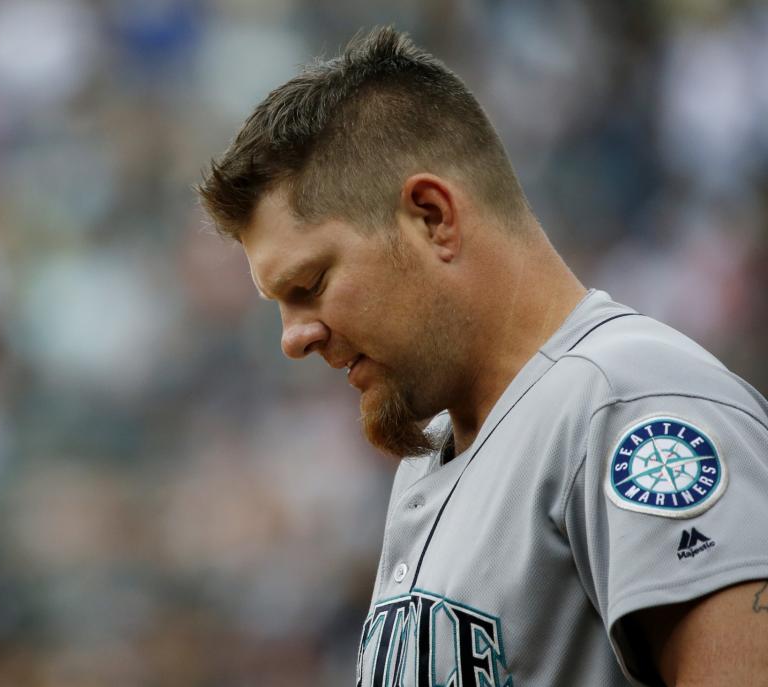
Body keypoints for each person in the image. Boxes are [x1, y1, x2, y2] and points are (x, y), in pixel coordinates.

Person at [196, 27, 768, 686]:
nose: (292, 338)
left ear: (433, 216)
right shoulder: (434, 444)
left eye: (309, 285)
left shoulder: (632, 401)